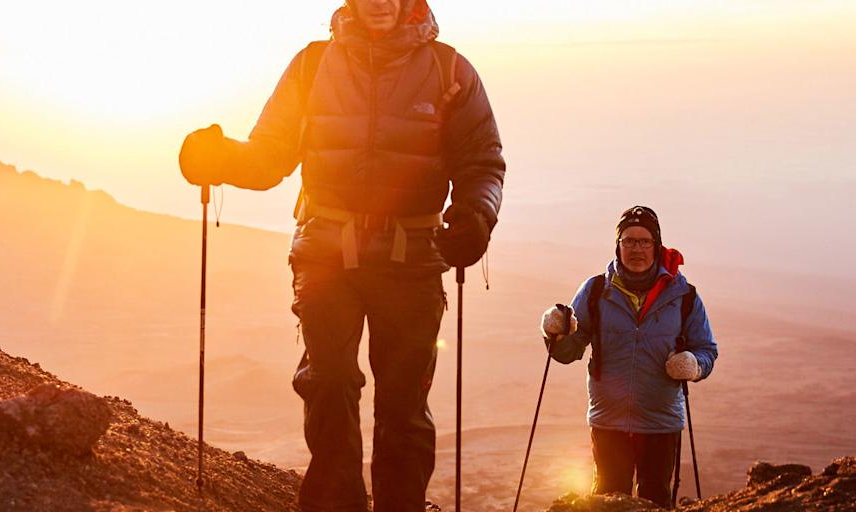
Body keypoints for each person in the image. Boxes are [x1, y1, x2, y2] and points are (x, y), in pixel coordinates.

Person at [177, 0, 505, 509]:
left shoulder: (450, 69)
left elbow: (482, 162)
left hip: (412, 261)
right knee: (328, 385)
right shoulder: (311, 65)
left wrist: (477, 214)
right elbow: (269, 157)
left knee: (402, 407)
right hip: (326, 256)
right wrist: (218, 159)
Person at [539, 206, 717, 507]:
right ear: (618, 246)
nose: (637, 249)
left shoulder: (683, 295)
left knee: (656, 498)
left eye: (644, 241)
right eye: (629, 241)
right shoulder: (595, 290)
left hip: (661, 422)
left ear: (656, 246)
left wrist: (693, 365)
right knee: (607, 499)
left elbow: (707, 351)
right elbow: (569, 352)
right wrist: (555, 333)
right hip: (609, 422)